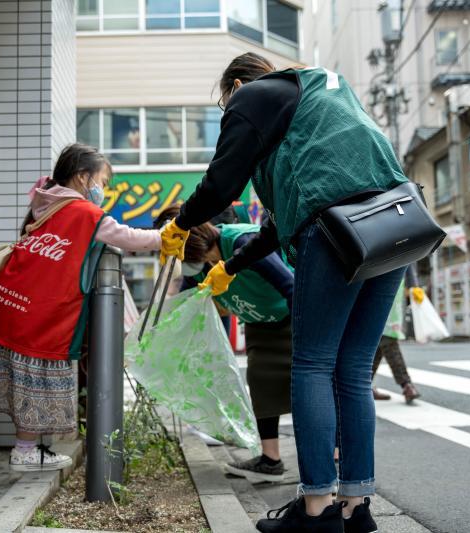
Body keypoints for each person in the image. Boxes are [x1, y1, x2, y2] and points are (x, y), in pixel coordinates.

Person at [159, 52, 410, 533]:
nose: (230, 115)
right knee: (353, 370)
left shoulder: (252, 96)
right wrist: (229, 267)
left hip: (336, 227)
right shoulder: (316, 102)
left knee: (313, 363)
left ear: (236, 85)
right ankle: (357, 509)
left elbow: (221, 184)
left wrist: (183, 221)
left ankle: (316, 511)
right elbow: (273, 228)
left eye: (224, 105)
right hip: (394, 222)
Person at [0, 144, 161, 472]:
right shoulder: (85, 214)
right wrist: (166, 237)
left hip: (5, 300)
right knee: (35, 378)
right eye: (102, 182)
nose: (103, 191)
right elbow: (128, 237)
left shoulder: (44, 200)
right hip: (40, 312)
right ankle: (24, 450)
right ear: (82, 177)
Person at [156, 205, 293, 483]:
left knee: (306, 390)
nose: (190, 268)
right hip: (260, 322)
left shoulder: (243, 242)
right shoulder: (200, 264)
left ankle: (332, 460)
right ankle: (270, 460)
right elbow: (189, 306)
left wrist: (307, 335)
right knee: (262, 387)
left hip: (293, 317)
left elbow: (292, 286)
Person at [371, 267, 423, 404]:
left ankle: (363, 385)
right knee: (385, 337)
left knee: (383, 337)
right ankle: (406, 385)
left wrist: (413, 285)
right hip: (384, 279)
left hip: (382, 278)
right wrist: (413, 284)